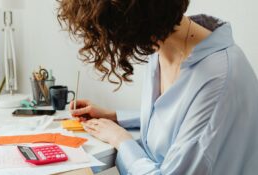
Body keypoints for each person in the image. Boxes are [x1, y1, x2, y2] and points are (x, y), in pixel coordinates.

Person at [57, 0, 258, 175]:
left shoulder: (217, 79)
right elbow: (178, 120)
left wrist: (120, 139)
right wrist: (114, 116)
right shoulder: (162, 48)